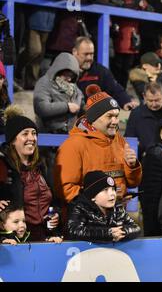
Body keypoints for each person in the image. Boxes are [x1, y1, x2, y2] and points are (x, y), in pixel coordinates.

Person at [54, 92, 142, 205]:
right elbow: (65, 189)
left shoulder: (119, 141)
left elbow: (133, 183)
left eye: (116, 116)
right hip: (86, 219)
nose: (115, 121)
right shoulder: (72, 146)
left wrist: (132, 166)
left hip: (117, 215)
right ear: (93, 118)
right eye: (110, 116)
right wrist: (102, 202)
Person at [0, 107, 61, 241]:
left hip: (46, 236)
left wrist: (56, 214)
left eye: (34, 133)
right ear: (13, 140)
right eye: (25, 134)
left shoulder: (44, 164)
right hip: (16, 240)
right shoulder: (3, 165)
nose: (31, 138)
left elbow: (55, 201)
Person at [67, 170, 141, 242]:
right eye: (106, 190)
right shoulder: (80, 208)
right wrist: (108, 233)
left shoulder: (118, 208)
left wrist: (122, 232)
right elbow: (74, 230)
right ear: (92, 196)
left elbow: (136, 228)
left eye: (113, 189)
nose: (112, 193)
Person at [72, 37, 138, 111]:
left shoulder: (100, 71)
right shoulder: (64, 70)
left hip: (92, 115)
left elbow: (114, 88)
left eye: (91, 54)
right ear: (75, 52)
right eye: (86, 54)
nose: (89, 58)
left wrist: (126, 101)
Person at [125, 82, 162, 158]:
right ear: (144, 96)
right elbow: (130, 138)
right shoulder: (136, 114)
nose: (154, 104)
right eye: (150, 101)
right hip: (146, 159)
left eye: (157, 100)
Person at [33, 52, 84, 134]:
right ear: (58, 71)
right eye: (66, 75)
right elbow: (41, 107)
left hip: (71, 134)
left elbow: (82, 105)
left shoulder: (74, 88)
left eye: (71, 76)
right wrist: (66, 107)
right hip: (49, 134)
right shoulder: (44, 83)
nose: (69, 79)